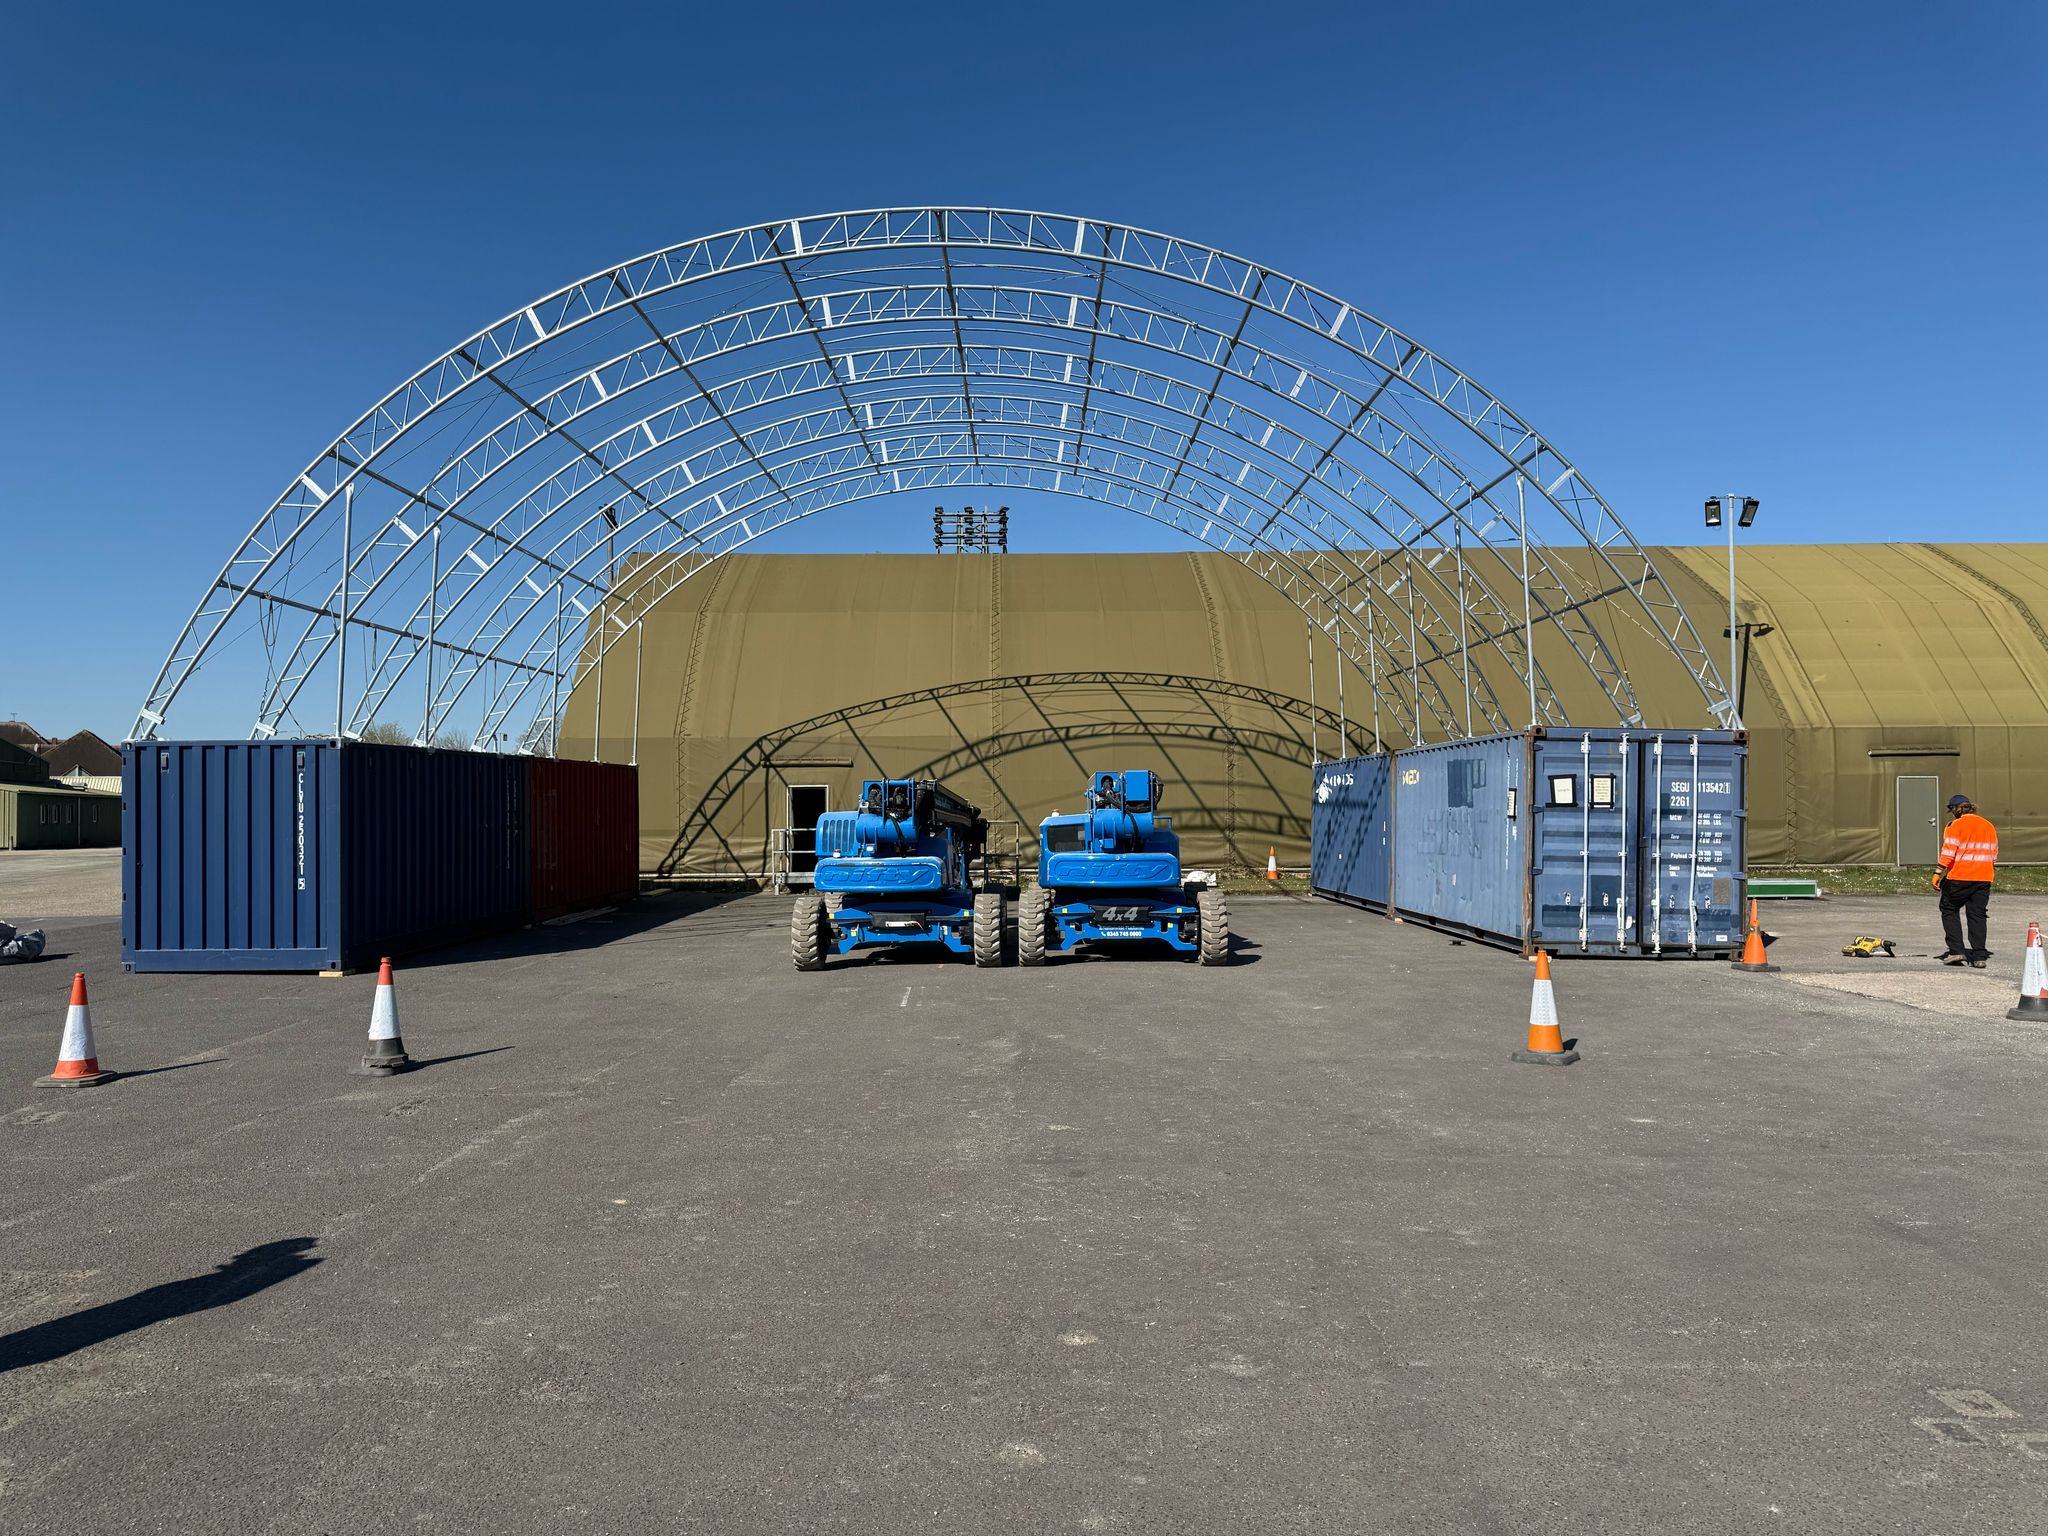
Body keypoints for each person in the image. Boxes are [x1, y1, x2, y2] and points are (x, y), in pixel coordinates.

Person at [1932, 794, 1998, 968]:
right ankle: (1979, 956)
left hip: (1960, 877)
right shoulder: (1988, 825)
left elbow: (1949, 852)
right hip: (1983, 877)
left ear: (1956, 809)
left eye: (1951, 810)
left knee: (1949, 909)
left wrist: (1938, 872)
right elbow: (1994, 855)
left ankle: (1956, 951)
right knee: (1977, 915)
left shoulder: (1955, 825)